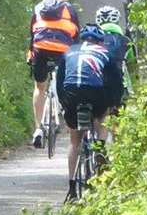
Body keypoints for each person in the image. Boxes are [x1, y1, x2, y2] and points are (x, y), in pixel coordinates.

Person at [53, 24, 123, 202]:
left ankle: (71, 188)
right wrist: (114, 104)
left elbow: (60, 81)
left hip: (70, 93)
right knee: (102, 115)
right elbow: (116, 82)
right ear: (100, 41)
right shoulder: (105, 52)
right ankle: (100, 147)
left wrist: (64, 103)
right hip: (95, 93)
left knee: (74, 141)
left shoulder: (69, 51)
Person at [27, 0, 80, 149]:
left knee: (39, 87)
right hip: (64, 50)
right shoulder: (69, 8)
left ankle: (38, 129)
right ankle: (66, 115)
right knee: (66, 84)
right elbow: (77, 33)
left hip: (41, 48)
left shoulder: (38, 7)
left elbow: (32, 34)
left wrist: (31, 54)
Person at [92, 6, 131, 142]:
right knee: (117, 114)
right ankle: (118, 145)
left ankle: (98, 143)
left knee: (99, 113)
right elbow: (132, 67)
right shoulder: (126, 41)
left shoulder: (91, 40)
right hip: (118, 84)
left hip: (94, 83)